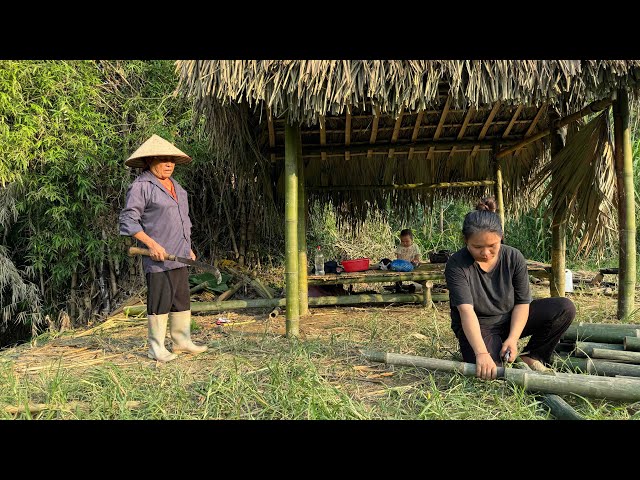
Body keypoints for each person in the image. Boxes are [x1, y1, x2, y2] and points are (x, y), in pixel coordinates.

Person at [444, 197, 575, 380]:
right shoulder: (457, 264)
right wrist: (482, 353)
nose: (485, 253)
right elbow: (466, 312)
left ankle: (533, 355)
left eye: (492, 246)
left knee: (564, 308)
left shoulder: (514, 257)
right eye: (477, 247)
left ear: (501, 237)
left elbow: (522, 303)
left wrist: (513, 339)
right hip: (479, 326)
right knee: (492, 371)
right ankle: (490, 350)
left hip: (509, 319)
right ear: (466, 241)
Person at [119, 134, 207, 362]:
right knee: (160, 300)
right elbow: (128, 220)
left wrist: (188, 247)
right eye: (163, 159)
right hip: (158, 256)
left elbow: (183, 220)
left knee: (181, 299)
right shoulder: (141, 187)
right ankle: (156, 348)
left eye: (172, 160)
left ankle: (182, 341)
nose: (169, 164)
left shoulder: (177, 187)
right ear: (150, 161)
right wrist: (151, 244)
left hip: (179, 254)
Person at [394, 228, 421, 293]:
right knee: (397, 272)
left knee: (417, 265)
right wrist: (401, 265)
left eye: (407, 241)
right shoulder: (400, 247)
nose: (405, 243)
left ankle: (419, 286)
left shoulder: (415, 246)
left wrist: (415, 260)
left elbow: (417, 257)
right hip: (402, 265)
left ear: (412, 240)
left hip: (412, 264)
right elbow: (399, 258)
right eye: (402, 241)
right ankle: (398, 288)